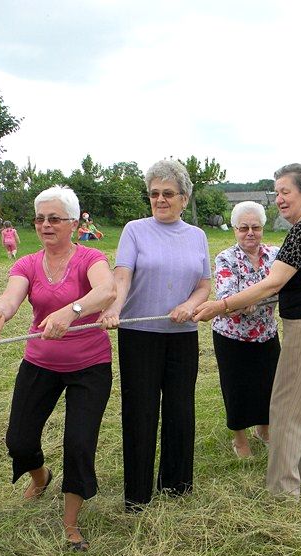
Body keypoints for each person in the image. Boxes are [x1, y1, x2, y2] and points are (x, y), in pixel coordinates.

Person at [0, 185, 116, 551]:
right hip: (40, 361)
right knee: (19, 440)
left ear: (73, 222)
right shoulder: (26, 263)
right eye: (40, 218)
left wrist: (72, 311)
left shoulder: (91, 257)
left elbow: (107, 292)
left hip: (90, 365)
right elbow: (11, 295)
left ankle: (71, 522)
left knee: (79, 442)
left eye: (54, 218)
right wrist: (0, 312)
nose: (45, 224)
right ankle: (40, 477)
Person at [194, 163, 301, 498]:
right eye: (276, 193)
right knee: (297, 400)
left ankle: (282, 489)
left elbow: (272, 283)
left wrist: (222, 306)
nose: (279, 199)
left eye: (285, 192)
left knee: (286, 406)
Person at [99, 160, 211, 510]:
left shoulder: (197, 236)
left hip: (182, 334)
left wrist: (189, 304)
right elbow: (122, 276)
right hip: (139, 334)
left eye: (168, 194)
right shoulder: (135, 230)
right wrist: (115, 307)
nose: (160, 200)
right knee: (140, 410)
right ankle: (137, 494)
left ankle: (176, 486)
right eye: (154, 194)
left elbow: (204, 285)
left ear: (184, 197)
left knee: (180, 408)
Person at [211, 201, 280, 458]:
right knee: (236, 388)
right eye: (243, 228)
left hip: (267, 332)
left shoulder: (275, 255)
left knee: (269, 384)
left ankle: (264, 429)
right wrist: (250, 300)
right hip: (232, 336)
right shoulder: (225, 258)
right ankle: (240, 440)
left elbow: (285, 285)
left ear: (262, 229)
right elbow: (228, 298)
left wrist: (251, 299)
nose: (250, 233)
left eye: (256, 227)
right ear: (234, 230)